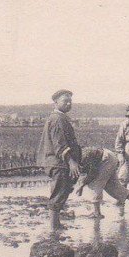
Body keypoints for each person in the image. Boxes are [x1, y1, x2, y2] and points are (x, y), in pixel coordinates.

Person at [36, 89, 82, 232]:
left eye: (70, 101)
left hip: (58, 162)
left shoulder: (60, 117)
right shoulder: (58, 119)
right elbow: (59, 144)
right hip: (58, 162)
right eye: (65, 101)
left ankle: (56, 224)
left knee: (60, 191)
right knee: (59, 192)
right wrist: (71, 162)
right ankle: (54, 227)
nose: (68, 103)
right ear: (56, 102)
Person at [74, 147, 129, 218]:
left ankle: (97, 213)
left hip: (105, 159)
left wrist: (82, 185)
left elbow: (93, 172)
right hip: (109, 157)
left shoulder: (83, 156)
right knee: (115, 188)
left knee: (95, 183)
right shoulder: (77, 155)